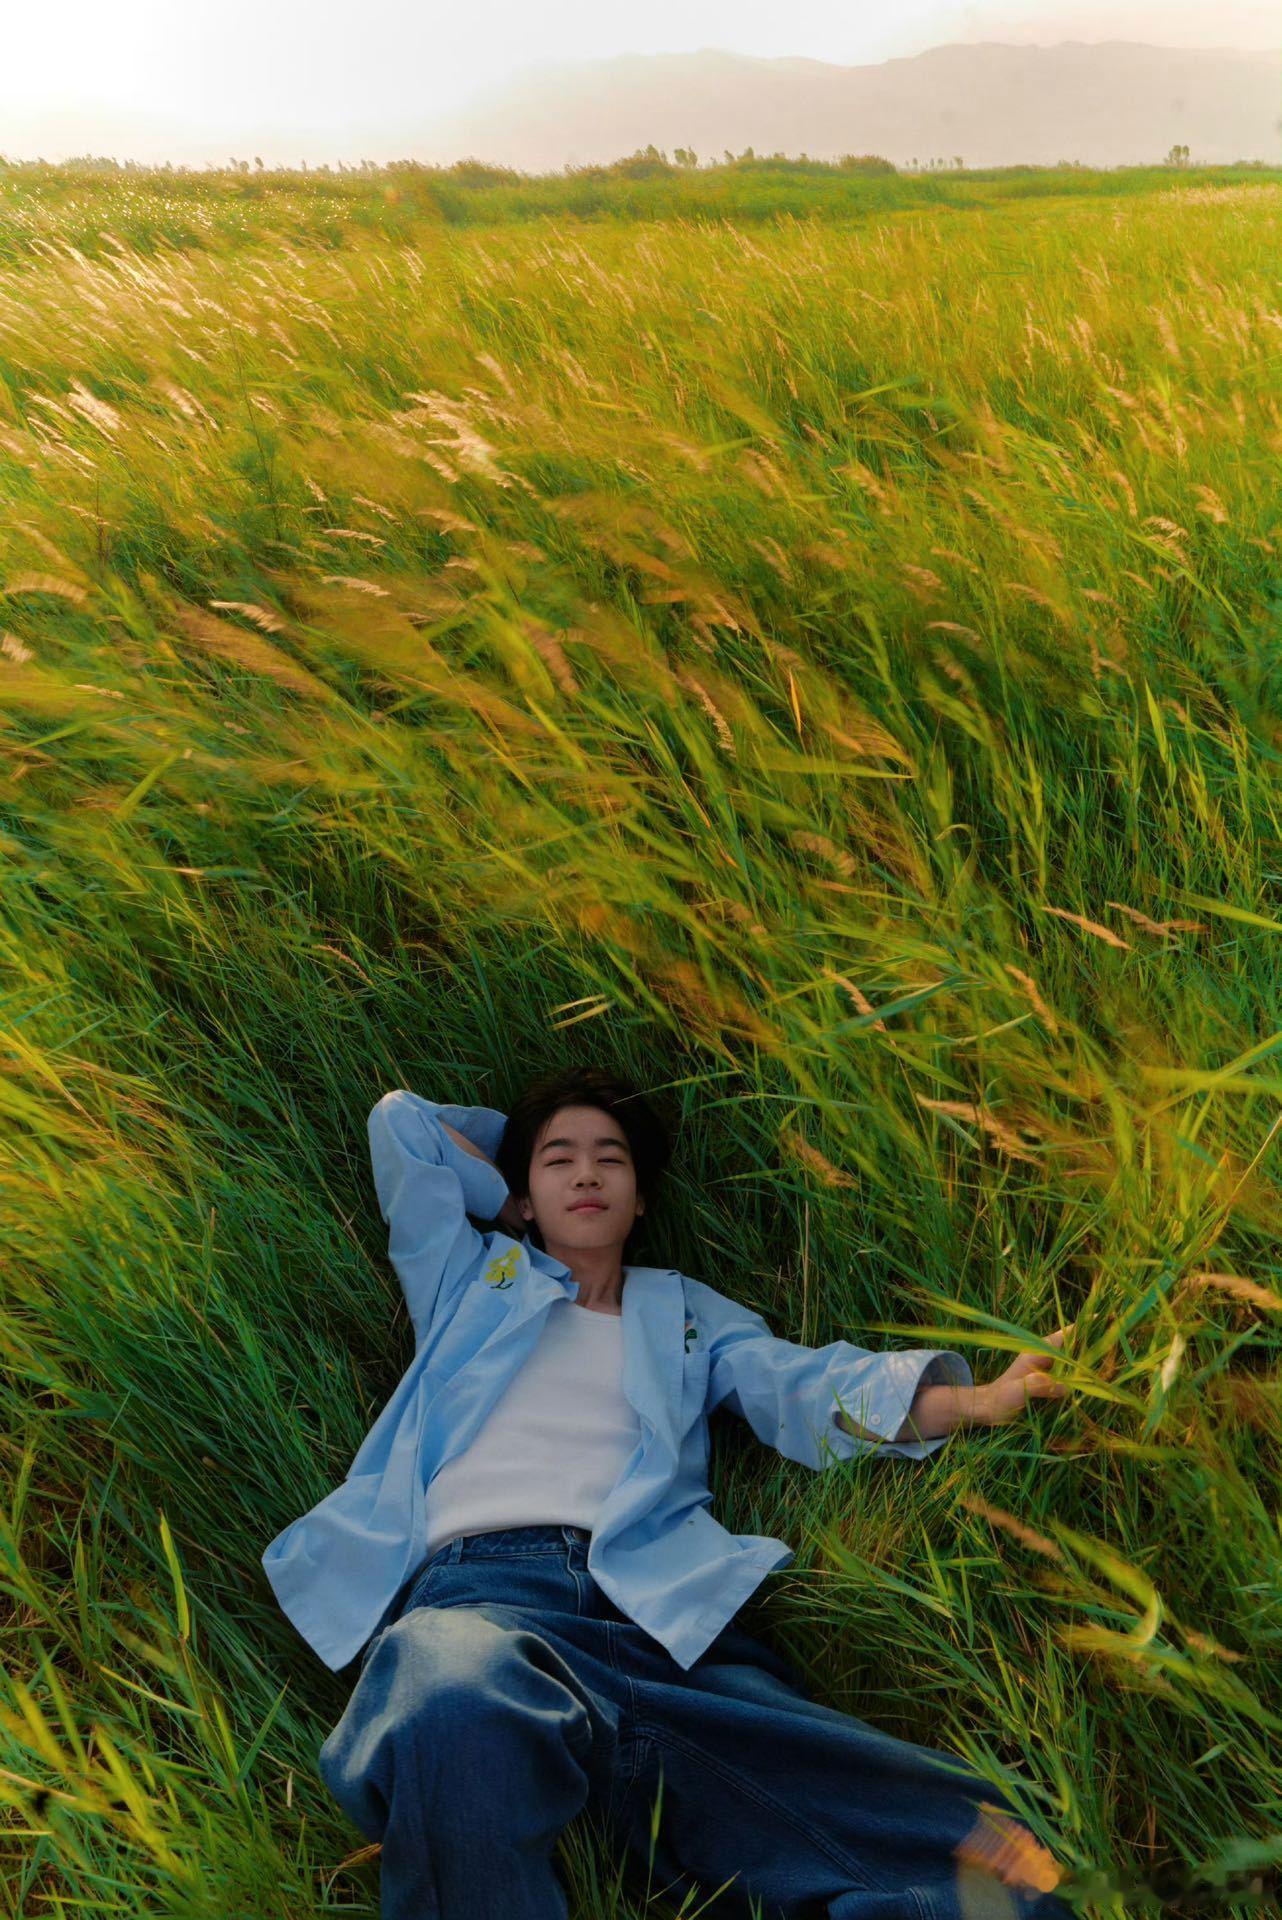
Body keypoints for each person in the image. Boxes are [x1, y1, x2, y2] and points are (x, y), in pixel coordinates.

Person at [262, 1066, 1077, 1919]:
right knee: (446, 1693)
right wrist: (504, 1198)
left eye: (610, 1159)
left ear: (642, 1198)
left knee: (991, 1857)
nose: (586, 1174)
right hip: (482, 1603)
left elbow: (803, 1389)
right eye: (559, 1159)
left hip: (667, 1628)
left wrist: (980, 1402)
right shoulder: (469, 1280)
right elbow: (402, 1126)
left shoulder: (685, 1314)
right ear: (524, 1195)